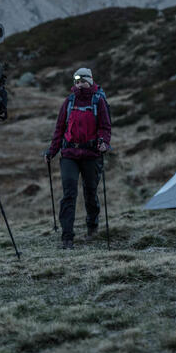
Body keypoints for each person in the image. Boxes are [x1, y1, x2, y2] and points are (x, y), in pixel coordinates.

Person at [44, 67, 111, 249]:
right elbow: (59, 129)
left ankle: (92, 225)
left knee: (90, 192)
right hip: (69, 155)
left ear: (90, 81)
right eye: (77, 81)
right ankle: (67, 238)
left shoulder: (99, 101)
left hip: (91, 154)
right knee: (69, 194)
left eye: (82, 81)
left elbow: (105, 127)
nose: (79, 85)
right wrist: (51, 151)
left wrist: (104, 142)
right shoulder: (69, 101)